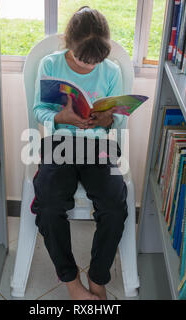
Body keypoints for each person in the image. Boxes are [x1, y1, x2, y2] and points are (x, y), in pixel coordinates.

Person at [31, 6, 128, 300]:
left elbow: (121, 114)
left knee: (114, 206)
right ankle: (72, 282)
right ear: (69, 45)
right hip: (60, 143)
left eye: (96, 62)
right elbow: (38, 109)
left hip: (98, 146)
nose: (89, 68)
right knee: (47, 206)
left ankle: (97, 279)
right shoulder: (49, 65)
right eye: (83, 61)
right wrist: (62, 118)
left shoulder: (111, 71)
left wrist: (109, 118)